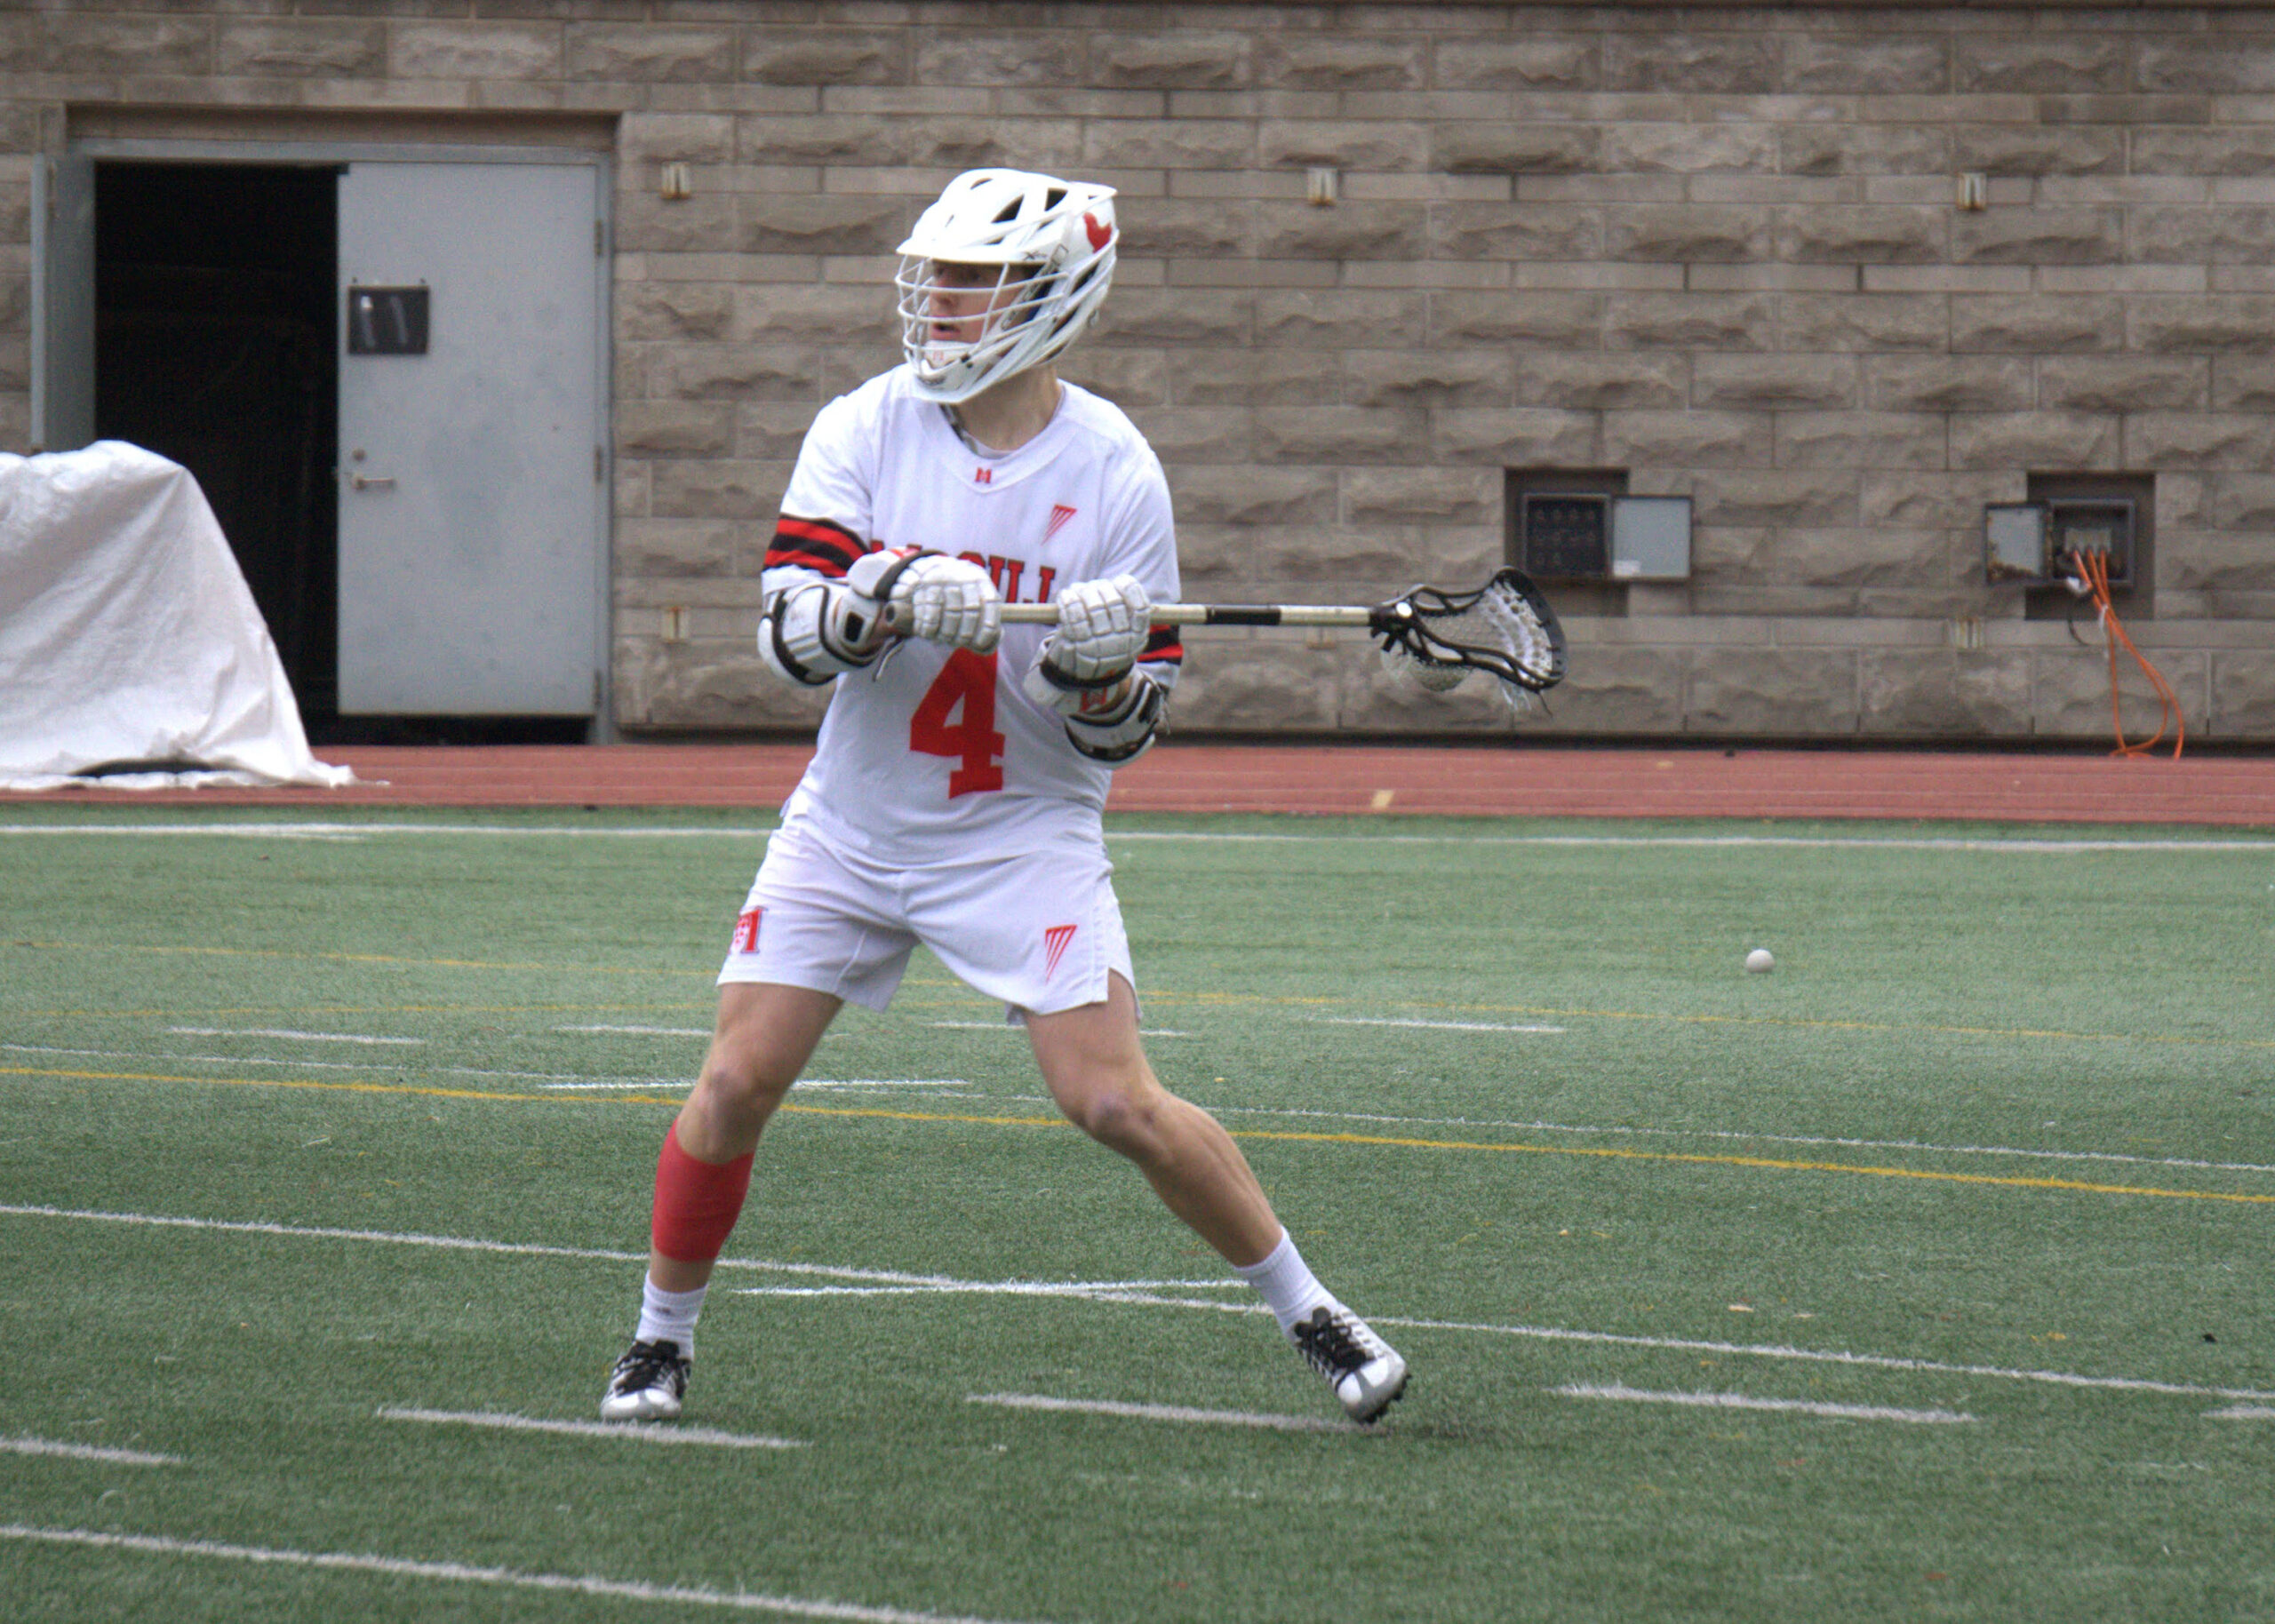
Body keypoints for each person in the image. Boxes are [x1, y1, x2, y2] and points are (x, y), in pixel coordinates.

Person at [600, 168, 1409, 1427]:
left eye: (975, 284)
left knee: (1112, 1100)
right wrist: (877, 600)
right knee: (733, 1082)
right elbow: (785, 641)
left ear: (1054, 298)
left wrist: (1091, 666)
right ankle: (659, 1339)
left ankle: (1313, 1309)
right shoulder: (864, 426)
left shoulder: (1117, 470)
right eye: (939, 280)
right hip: (857, 821)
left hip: (1018, 831)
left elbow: (1126, 732)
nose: (942, 306)